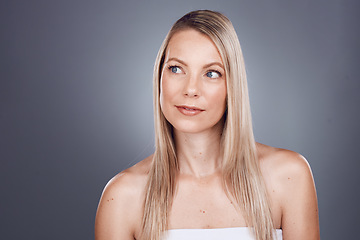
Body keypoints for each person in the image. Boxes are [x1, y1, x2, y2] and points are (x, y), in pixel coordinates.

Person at [95, 10, 320, 240]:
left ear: (232, 86)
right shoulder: (122, 198)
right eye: (176, 69)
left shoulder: (289, 177)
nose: (191, 89)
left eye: (211, 73)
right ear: (159, 77)